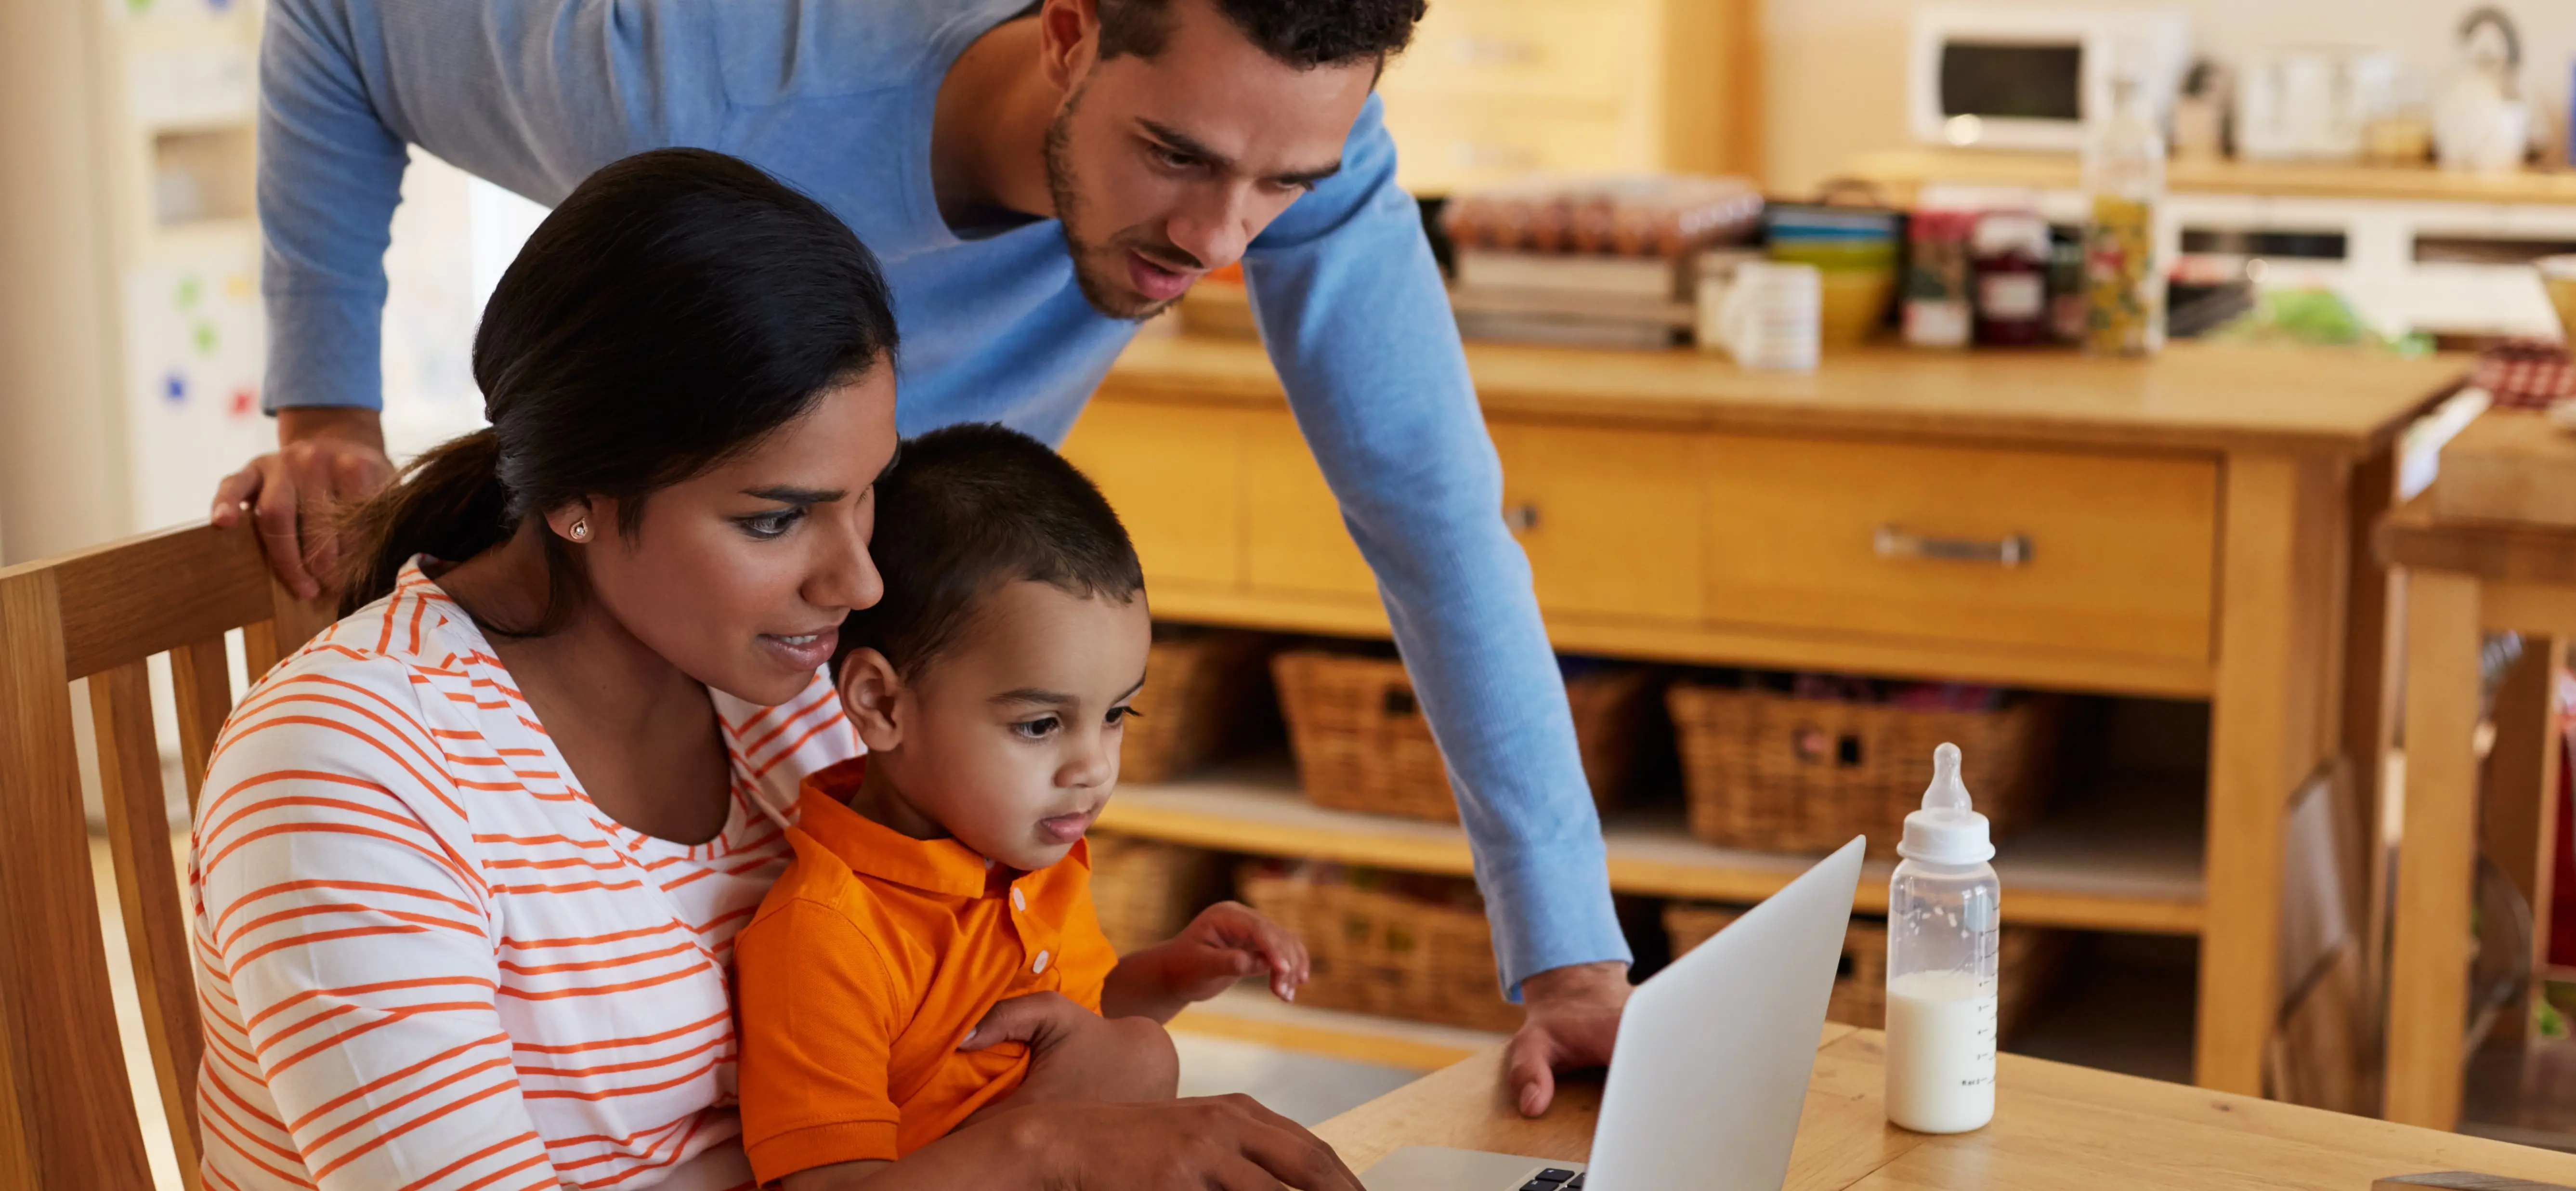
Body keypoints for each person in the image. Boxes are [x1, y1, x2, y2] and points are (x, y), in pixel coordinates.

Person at [212, 0, 1634, 1109]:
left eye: (1280, 186)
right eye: (1174, 157)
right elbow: (338, 23)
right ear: (1068, 34)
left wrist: (1570, 963)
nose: (1215, 244)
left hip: (816, 712)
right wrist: (324, 394)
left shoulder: (1279, 136)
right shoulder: (699, 91)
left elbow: (1436, 523)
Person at [192, 147, 1359, 1191]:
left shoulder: (805, 692)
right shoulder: (345, 771)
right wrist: (1039, 1148)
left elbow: (960, 1014)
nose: (855, 583)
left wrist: (1102, 1060)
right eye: (775, 520)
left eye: (863, 497)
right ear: (576, 501)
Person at [735, 423, 1319, 1189]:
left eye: (1116, 715)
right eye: (1039, 725)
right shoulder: (826, 934)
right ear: (880, 703)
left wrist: (1169, 976)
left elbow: (1057, 1031)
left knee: (1140, 1048)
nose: (1092, 767)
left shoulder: (1024, 856)